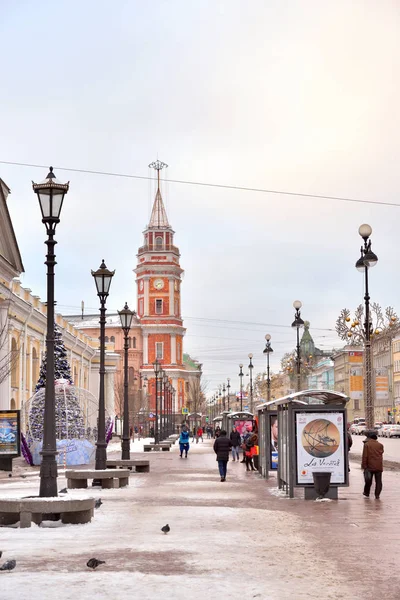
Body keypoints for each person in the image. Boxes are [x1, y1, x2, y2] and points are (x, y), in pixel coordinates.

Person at [361, 430, 384, 499]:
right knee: (378, 481)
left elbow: (365, 456)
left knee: (368, 480)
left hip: (369, 466)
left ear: (370, 438)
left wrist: (364, 466)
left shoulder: (367, 444)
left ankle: (366, 493)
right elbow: (381, 452)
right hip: (379, 466)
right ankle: (377, 495)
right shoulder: (380, 445)